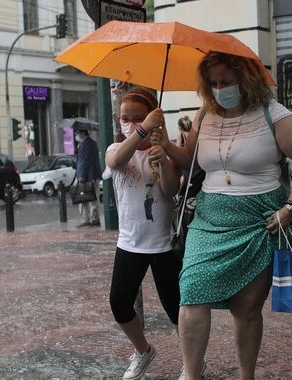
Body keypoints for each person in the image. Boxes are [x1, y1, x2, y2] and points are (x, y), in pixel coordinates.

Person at [159, 52, 292, 380]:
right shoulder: (205, 115)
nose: (219, 89)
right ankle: (191, 374)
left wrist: (290, 206)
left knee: (245, 310)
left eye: (227, 82)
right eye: (213, 83)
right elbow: (191, 161)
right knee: (191, 292)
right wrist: (164, 143)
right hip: (209, 219)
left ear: (246, 81)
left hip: (258, 221)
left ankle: (246, 375)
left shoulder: (274, 114)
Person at [104, 86, 182, 380]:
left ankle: (191, 357)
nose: (131, 123)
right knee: (119, 303)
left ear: (154, 117)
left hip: (163, 245)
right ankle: (143, 350)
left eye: (139, 117)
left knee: (177, 309)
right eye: (126, 118)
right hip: (130, 244)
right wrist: (143, 129)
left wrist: (161, 159)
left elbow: (171, 190)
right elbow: (114, 162)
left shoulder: (162, 150)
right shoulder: (116, 149)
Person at [74, 126, 102, 227]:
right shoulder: (90, 143)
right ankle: (93, 218)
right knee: (92, 198)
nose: (75, 135)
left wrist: (81, 176)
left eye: (77, 132)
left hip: (87, 176)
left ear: (83, 133)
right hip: (93, 175)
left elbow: (84, 162)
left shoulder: (86, 144)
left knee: (84, 198)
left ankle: (87, 219)